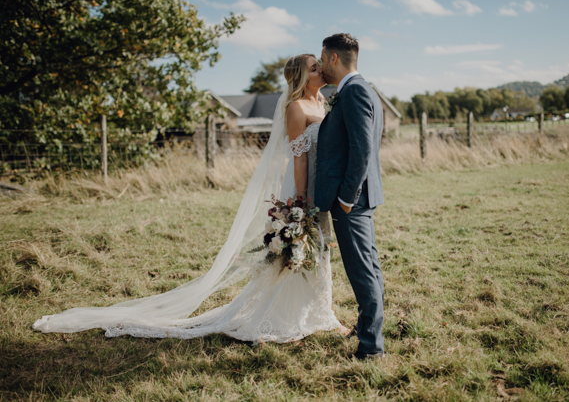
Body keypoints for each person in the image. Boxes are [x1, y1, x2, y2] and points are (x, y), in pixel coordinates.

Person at [32, 53, 350, 343]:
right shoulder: (295, 107)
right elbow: (298, 159)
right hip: (302, 191)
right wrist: (299, 205)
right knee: (300, 252)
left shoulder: (323, 101)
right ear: (299, 77)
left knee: (320, 251)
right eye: (313, 67)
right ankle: (292, 316)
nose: (320, 69)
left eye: (319, 65)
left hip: (322, 189)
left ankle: (319, 313)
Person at [315, 33, 386, 360]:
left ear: (333, 58)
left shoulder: (355, 92)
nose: (320, 66)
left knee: (361, 270)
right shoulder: (362, 89)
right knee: (367, 267)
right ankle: (367, 329)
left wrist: (346, 197)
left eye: (322, 58)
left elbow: (362, 149)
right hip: (358, 198)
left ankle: (371, 349)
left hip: (352, 200)